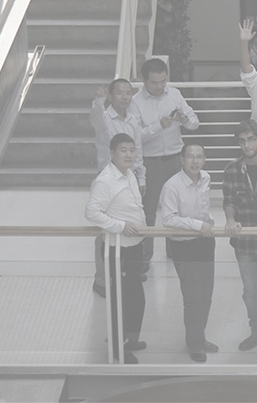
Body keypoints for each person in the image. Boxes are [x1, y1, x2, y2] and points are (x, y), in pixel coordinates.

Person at [85, 133, 146, 364]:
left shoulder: (129, 173)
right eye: (123, 150)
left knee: (136, 299)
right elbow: (92, 212)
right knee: (121, 301)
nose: (129, 154)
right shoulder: (105, 181)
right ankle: (118, 348)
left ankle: (129, 339)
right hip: (118, 250)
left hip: (134, 246)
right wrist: (120, 226)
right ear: (112, 153)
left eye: (132, 150)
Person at [131, 58, 199, 267]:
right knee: (148, 210)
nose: (159, 86)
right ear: (144, 80)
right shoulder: (135, 102)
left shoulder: (175, 94)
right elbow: (135, 137)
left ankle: (175, 250)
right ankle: (145, 257)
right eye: (154, 82)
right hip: (150, 162)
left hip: (176, 160)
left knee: (178, 207)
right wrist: (158, 126)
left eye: (163, 81)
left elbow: (195, 123)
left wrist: (184, 120)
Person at [160, 143, 218, 362]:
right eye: (190, 157)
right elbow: (169, 219)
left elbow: (204, 210)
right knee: (193, 296)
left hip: (206, 242)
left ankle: (199, 337)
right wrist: (197, 225)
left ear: (204, 159)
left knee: (206, 294)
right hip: (184, 245)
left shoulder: (206, 178)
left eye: (199, 157)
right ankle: (194, 344)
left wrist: (208, 225)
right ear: (182, 159)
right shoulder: (172, 186)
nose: (195, 161)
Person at [222, 120, 257, 352]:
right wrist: (230, 219)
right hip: (244, 240)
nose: (247, 145)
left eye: (251, 139)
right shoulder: (232, 169)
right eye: (242, 141)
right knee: (250, 290)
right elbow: (229, 199)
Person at [90, 78, 145, 297]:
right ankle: (103, 279)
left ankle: (130, 270)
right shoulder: (104, 117)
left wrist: (141, 179)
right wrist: (98, 101)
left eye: (128, 93)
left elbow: (137, 151)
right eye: (120, 93)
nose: (124, 97)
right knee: (105, 230)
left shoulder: (133, 119)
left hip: (129, 178)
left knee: (130, 221)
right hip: (109, 179)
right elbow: (95, 119)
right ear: (111, 96)